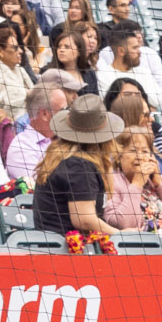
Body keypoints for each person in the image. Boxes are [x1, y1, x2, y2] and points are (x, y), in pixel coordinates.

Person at [29, 92, 121, 237]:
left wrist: (105, 162)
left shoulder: (72, 159)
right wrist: (121, 235)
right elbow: (84, 220)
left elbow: (106, 199)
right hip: (66, 251)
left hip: (59, 246)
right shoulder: (78, 166)